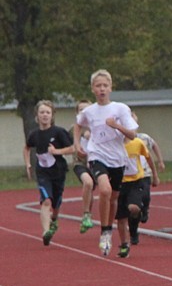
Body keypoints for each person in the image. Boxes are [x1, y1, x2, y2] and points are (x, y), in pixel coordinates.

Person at [74, 70, 138, 256]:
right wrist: (77, 144)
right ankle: (104, 232)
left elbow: (132, 135)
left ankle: (108, 229)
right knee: (105, 190)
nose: (102, 89)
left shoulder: (120, 109)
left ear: (111, 88)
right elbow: (78, 125)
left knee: (113, 199)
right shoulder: (89, 111)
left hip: (117, 158)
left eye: (105, 86)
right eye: (98, 86)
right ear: (93, 89)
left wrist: (116, 125)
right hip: (97, 156)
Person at [24, 100, 74, 245]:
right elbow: (27, 147)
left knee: (56, 202)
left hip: (58, 171)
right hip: (42, 173)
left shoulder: (59, 132)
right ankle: (46, 232)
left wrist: (56, 151)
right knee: (46, 200)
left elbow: (72, 148)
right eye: (42, 112)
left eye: (48, 112)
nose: (45, 115)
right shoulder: (34, 134)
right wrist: (28, 164)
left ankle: (54, 219)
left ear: (52, 116)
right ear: (37, 116)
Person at [116, 133, 160, 257]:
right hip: (119, 183)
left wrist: (155, 174)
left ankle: (138, 216)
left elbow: (148, 157)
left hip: (136, 181)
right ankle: (124, 244)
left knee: (133, 208)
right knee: (121, 218)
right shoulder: (112, 145)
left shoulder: (137, 142)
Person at [130, 112, 166, 227]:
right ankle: (134, 221)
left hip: (144, 173)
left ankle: (145, 209)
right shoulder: (122, 140)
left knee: (146, 195)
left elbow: (154, 145)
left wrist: (160, 161)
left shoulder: (143, 138)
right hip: (130, 174)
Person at [71, 100, 96, 234]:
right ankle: (86, 214)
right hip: (79, 164)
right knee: (88, 182)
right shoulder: (74, 128)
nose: (84, 112)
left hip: (96, 163)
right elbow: (66, 145)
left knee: (92, 188)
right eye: (81, 110)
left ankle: (89, 214)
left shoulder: (97, 126)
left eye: (87, 109)